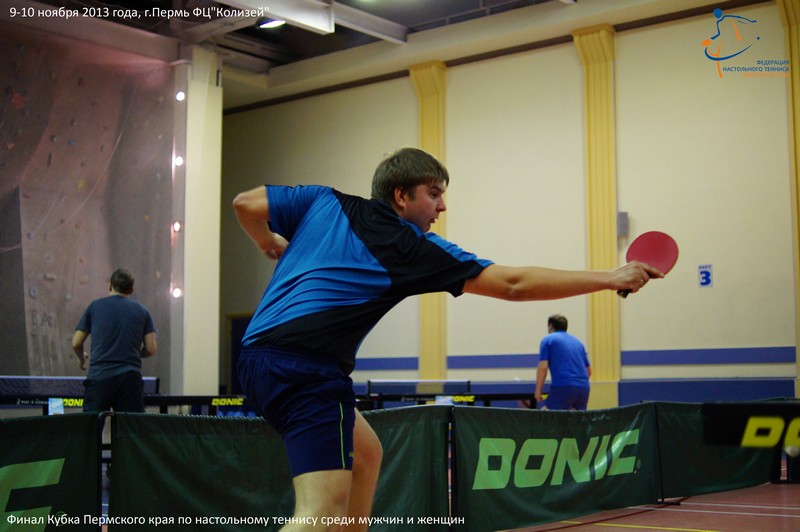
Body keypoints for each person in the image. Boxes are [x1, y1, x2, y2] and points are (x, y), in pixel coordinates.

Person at [233, 147, 662, 531]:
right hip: (304, 370)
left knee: (367, 455)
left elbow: (245, 204)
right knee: (321, 515)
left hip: (253, 359)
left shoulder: (323, 200)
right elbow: (512, 284)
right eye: (434, 193)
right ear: (401, 196)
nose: (442, 205)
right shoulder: (410, 247)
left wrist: (267, 241)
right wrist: (610, 278)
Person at [71, 268, 157, 413]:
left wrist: (81, 359)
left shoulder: (95, 307)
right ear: (131, 290)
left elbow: (76, 343)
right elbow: (151, 348)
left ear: (110, 286)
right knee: (129, 426)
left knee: (93, 425)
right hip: (130, 379)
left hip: (99, 378)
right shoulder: (142, 311)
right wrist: (135, 353)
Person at [534, 314, 591, 410]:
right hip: (584, 388)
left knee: (546, 415)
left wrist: (538, 390)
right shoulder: (578, 343)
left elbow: (543, 367)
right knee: (579, 418)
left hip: (563, 386)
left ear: (550, 326)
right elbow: (588, 371)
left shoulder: (548, 339)